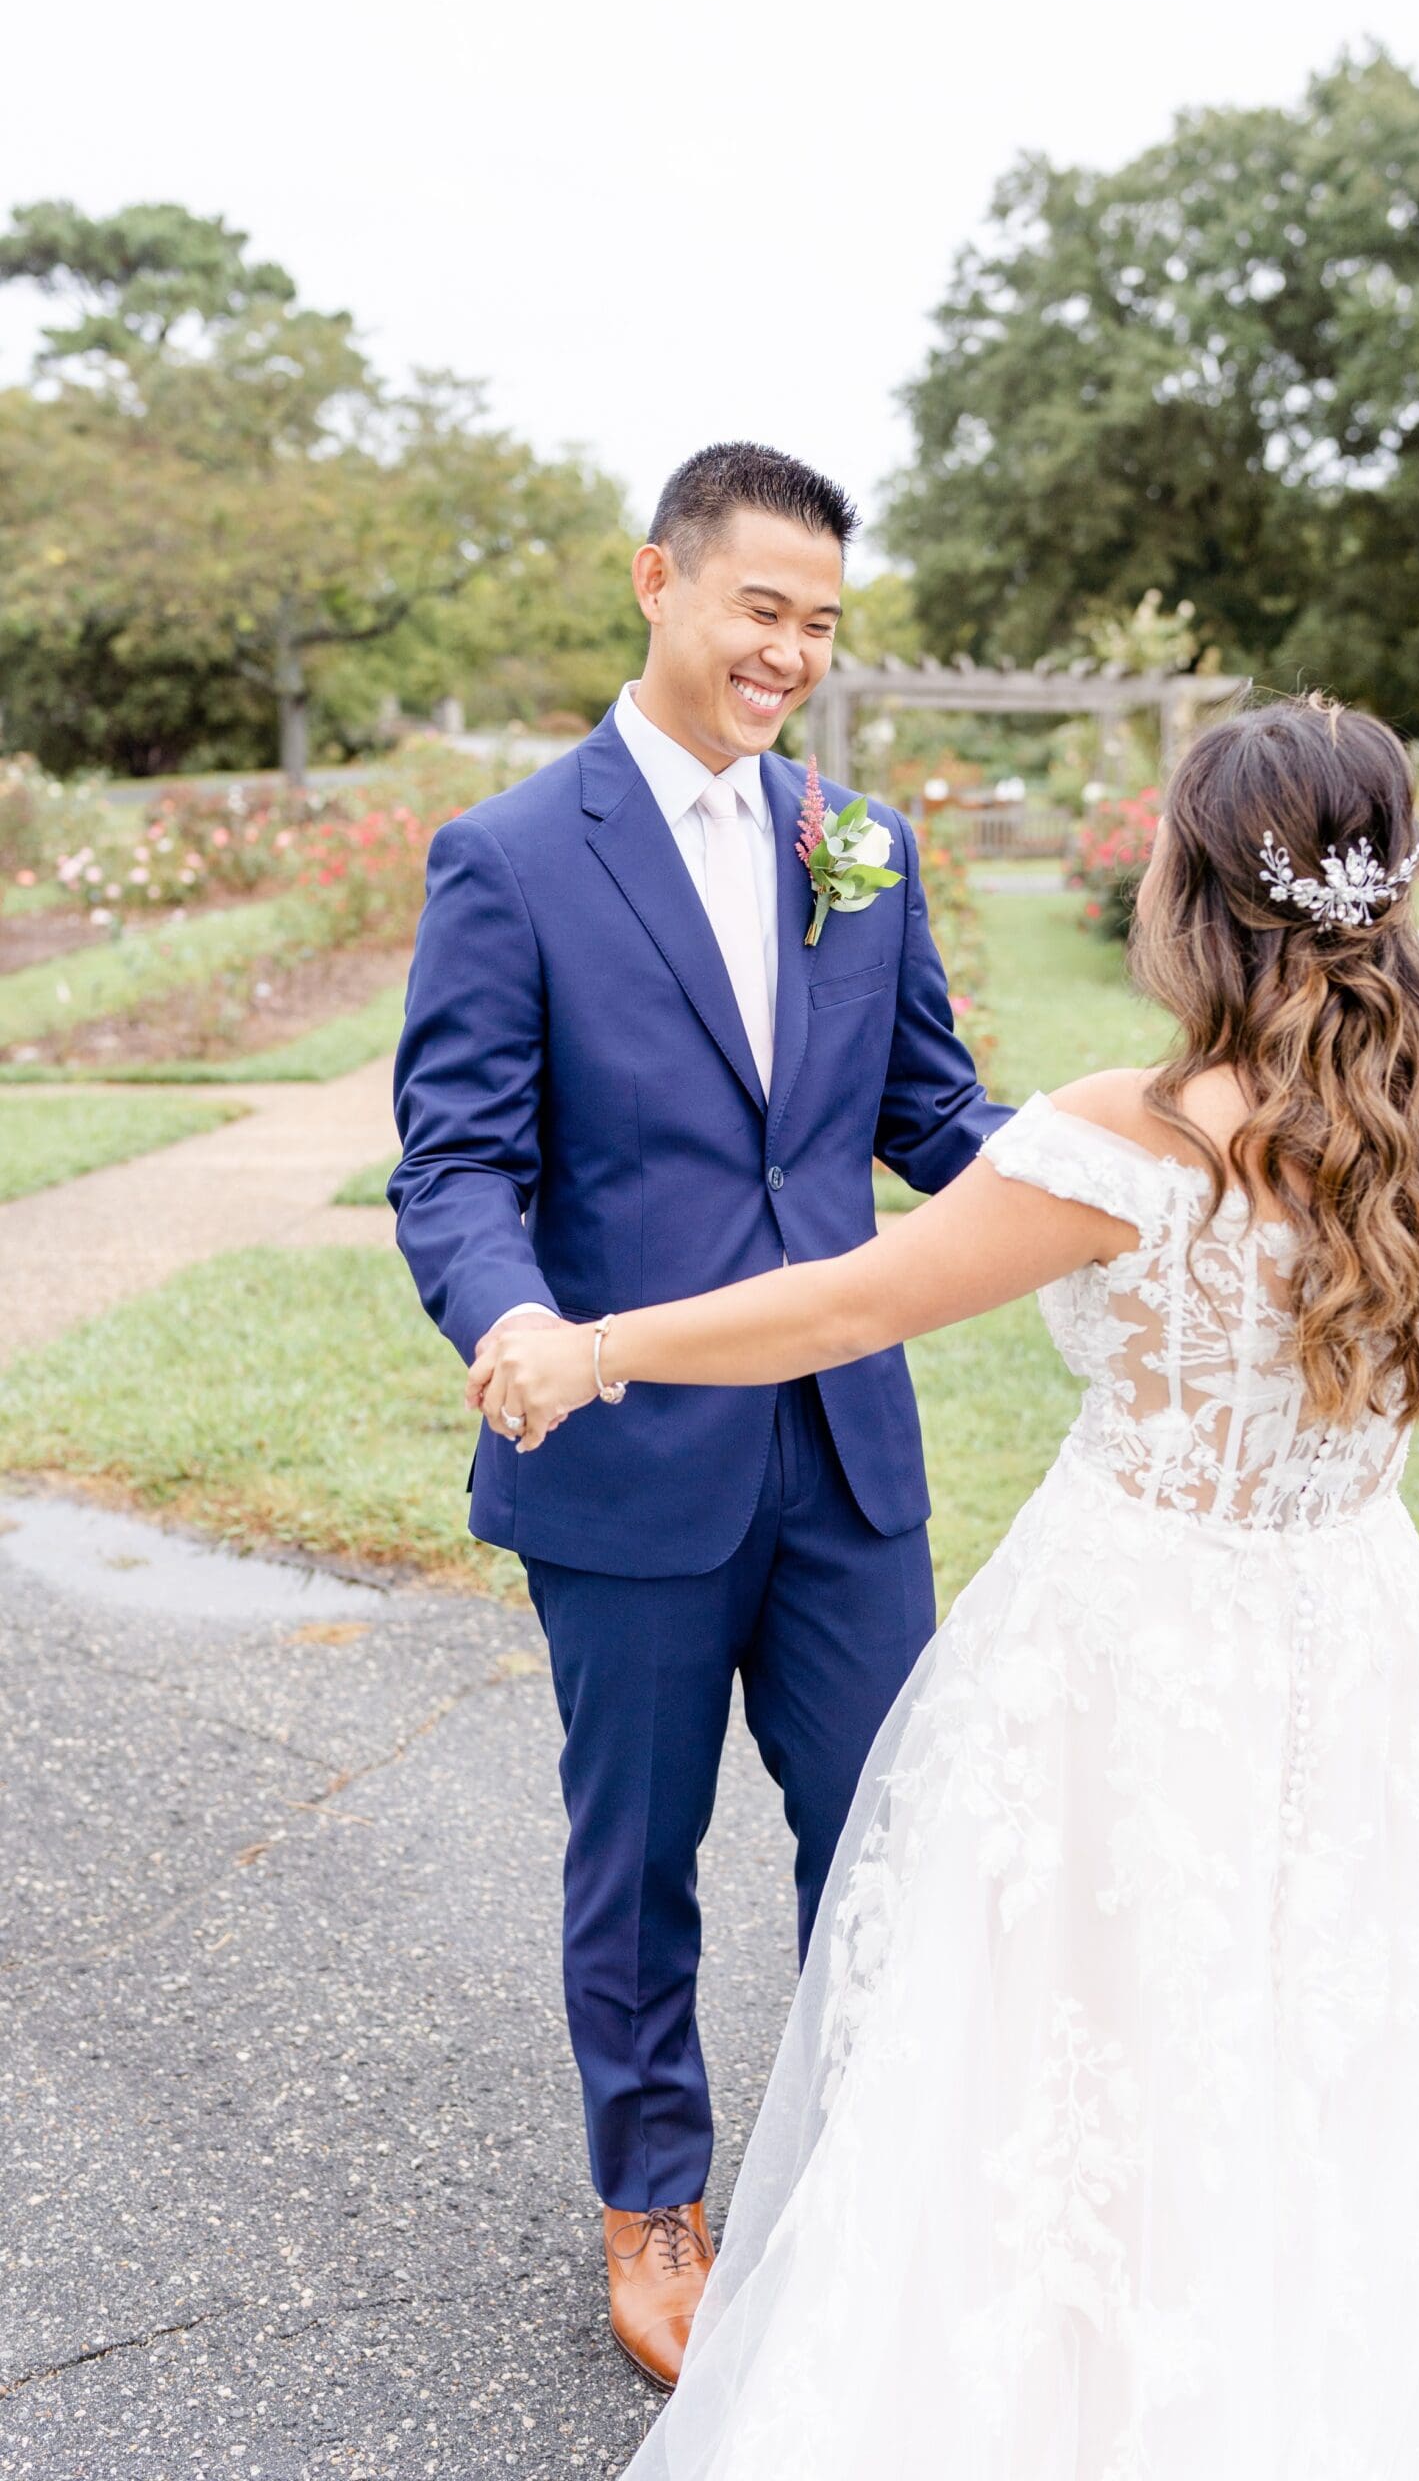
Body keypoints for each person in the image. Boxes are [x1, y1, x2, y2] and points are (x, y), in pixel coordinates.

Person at [468, 698, 1419, 2479]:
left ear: (1191, 889)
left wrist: (601, 1346)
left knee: (1072, 2024)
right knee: (1306, 2011)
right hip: (1341, 1642)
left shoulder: (1135, 1136)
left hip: (1130, 1646)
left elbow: (846, 1303)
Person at [387, 442, 1010, 2389]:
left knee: (886, 1831)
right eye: (763, 607)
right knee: (635, 1853)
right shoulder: (510, 854)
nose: (791, 653)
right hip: (625, 1450)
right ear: (657, 580)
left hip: (844, 1453)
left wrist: (1128, 1180)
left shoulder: (865, 843)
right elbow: (456, 1161)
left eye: (821, 623)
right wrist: (508, 1319)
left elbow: (932, 1118)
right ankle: (653, 2197)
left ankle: (872, 2168)